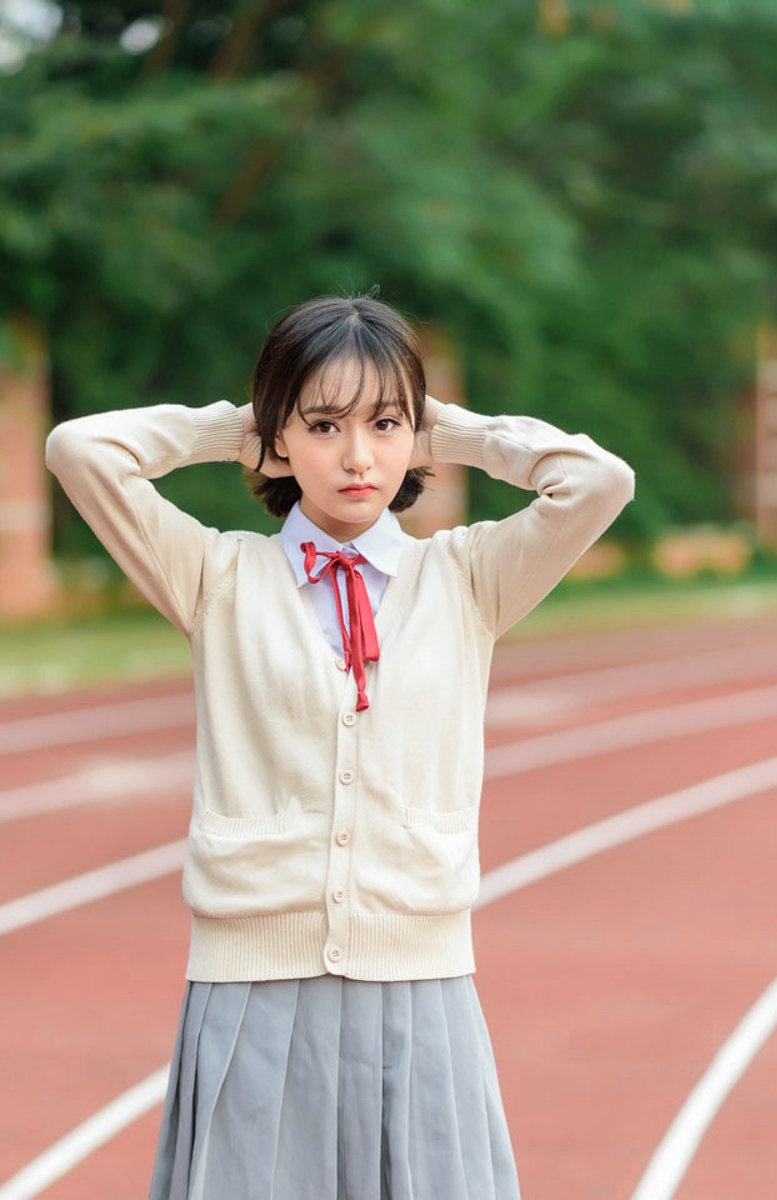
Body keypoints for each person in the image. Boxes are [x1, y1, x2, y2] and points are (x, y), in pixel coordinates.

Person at [45, 293, 635, 1200]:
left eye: (385, 423)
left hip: (422, 983)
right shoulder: (215, 575)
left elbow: (600, 483)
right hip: (252, 991)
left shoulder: (469, 578)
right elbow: (80, 451)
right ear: (280, 438)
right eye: (323, 425)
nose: (358, 456)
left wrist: (455, 434)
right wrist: (236, 429)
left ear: (416, 435)